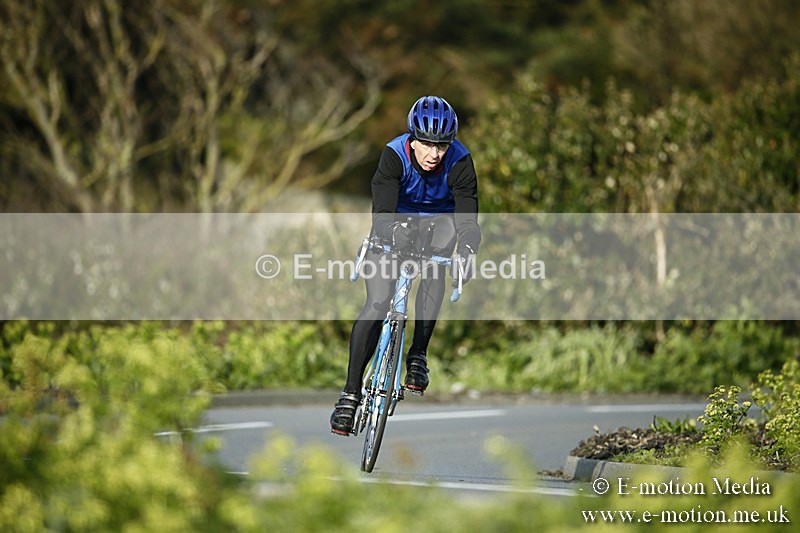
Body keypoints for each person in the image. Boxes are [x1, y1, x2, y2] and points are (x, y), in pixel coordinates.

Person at [330, 95, 481, 436]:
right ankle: (350, 395)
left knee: (436, 263)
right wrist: (393, 232)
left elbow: (468, 218)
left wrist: (468, 249)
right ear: (413, 139)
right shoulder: (394, 155)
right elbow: (381, 211)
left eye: (442, 145)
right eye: (427, 144)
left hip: (438, 226)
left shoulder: (460, 162)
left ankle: (417, 355)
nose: (434, 154)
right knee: (378, 303)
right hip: (394, 223)